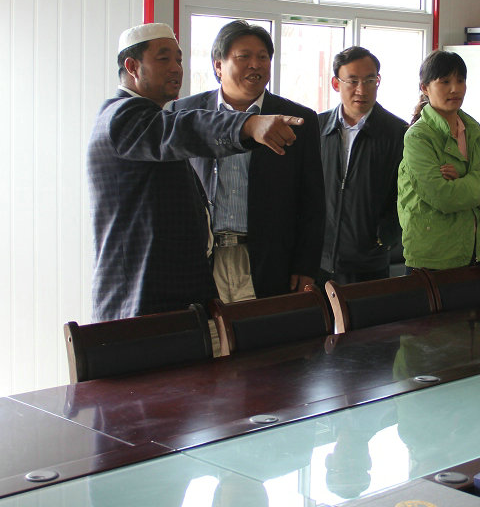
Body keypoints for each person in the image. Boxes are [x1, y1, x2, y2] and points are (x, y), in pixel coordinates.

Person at [88, 22, 305, 322]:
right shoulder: (122, 116)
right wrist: (247, 124)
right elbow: (183, 128)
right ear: (132, 66)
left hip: (174, 294)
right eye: (164, 59)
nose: (176, 68)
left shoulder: (150, 118)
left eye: (179, 60)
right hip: (140, 297)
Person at [174, 20, 324, 302]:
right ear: (219, 65)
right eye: (244, 57)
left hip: (267, 260)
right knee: (208, 329)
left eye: (263, 57)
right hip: (201, 259)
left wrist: (306, 266)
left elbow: (312, 201)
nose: (255, 65)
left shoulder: (297, 119)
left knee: (261, 329)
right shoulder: (184, 112)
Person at [397, 50, 480, 270]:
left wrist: (461, 180)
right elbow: (443, 197)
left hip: (477, 255)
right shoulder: (418, 137)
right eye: (445, 82)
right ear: (424, 88)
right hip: (433, 259)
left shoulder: (473, 130)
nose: (455, 89)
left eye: (460, 80)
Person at [318, 47, 407, 285]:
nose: (362, 89)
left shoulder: (397, 132)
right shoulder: (317, 128)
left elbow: (404, 193)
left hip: (369, 261)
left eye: (370, 80)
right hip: (318, 260)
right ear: (336, 84)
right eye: (353, 81)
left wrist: (386, 236)